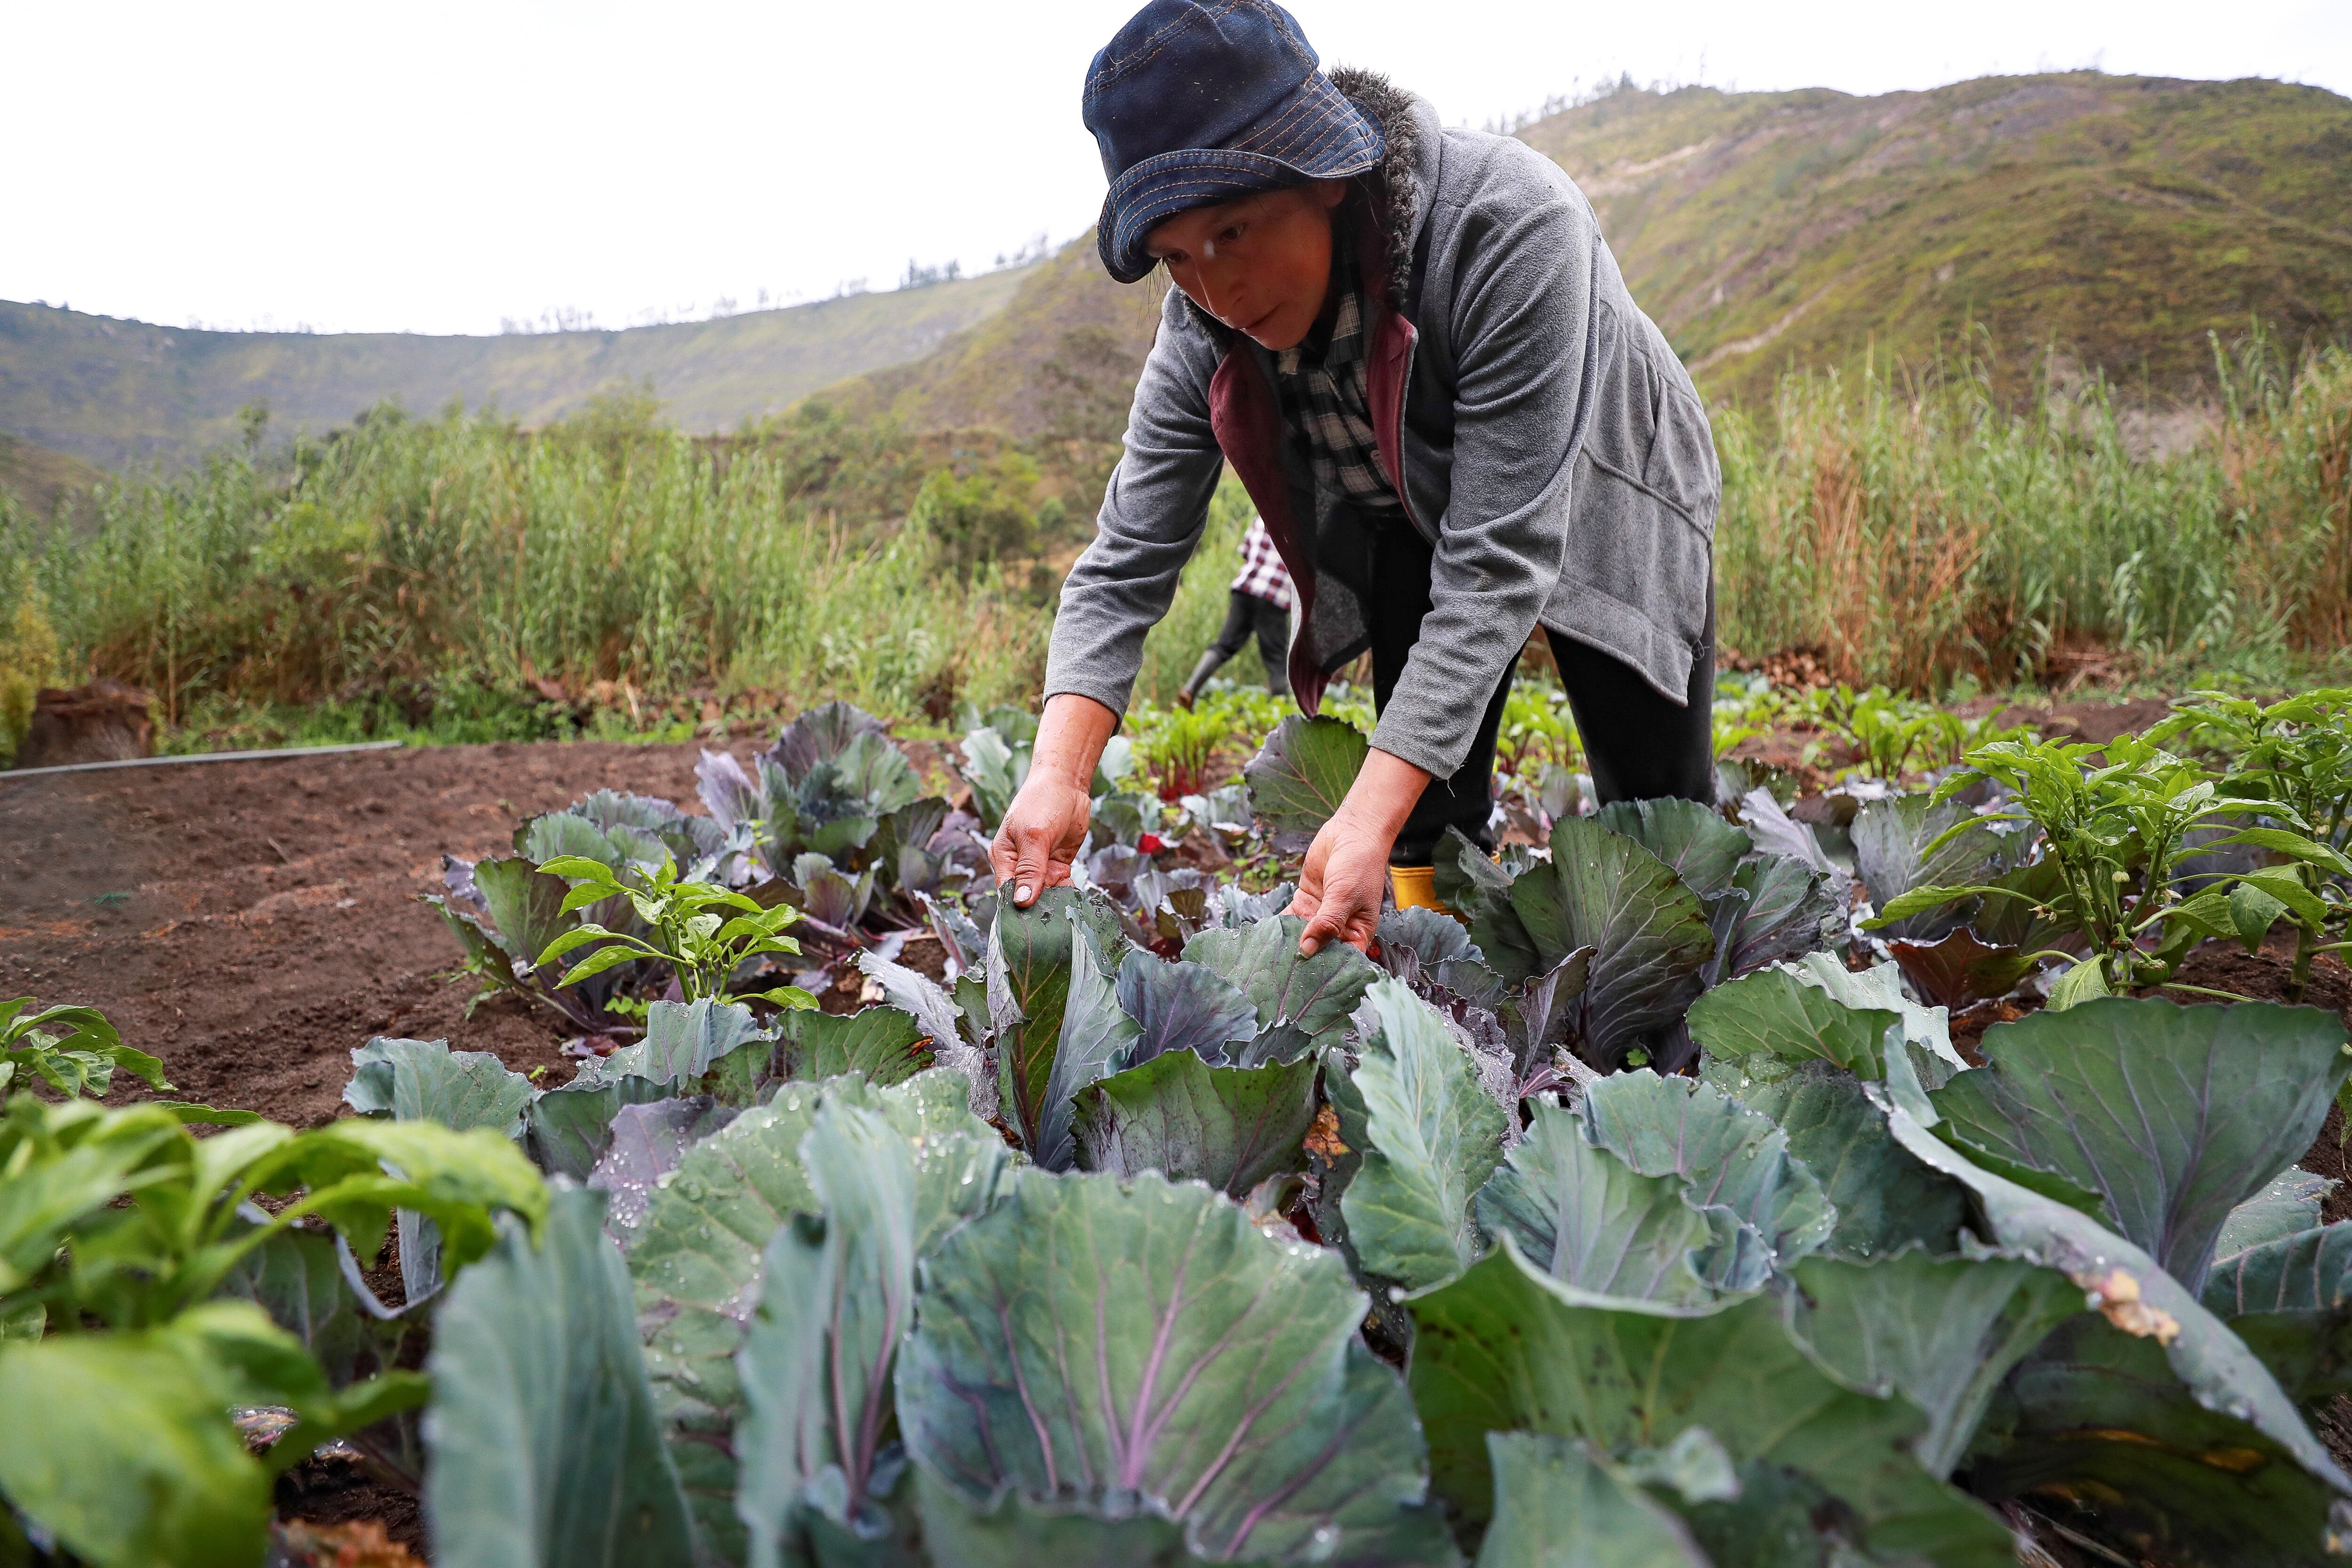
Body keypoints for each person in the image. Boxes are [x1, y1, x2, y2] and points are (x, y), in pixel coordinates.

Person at [992, 0, 1721, 955]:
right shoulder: (1203, 329)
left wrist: (1364, 813)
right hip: (1408, 512)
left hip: (1614, 492)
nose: (1217, 289)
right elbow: (1125, 560)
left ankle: (1692, 1000)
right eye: (1175, 256)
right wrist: (1060, 772)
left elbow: (1497, 560)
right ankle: (1440, 969)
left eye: (1235, 231)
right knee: (1417, 823)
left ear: (1326, 175)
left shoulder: (1510, 228)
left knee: (1658, 822)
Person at [1178, 513, 1294, 708]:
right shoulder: (1301, 527)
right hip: (1273, 597)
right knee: (1277, 661)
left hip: (1245, 589)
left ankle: (1190, 690)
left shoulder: (1263, 515)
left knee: (1224, 645)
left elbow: (1246, 550)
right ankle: (1281, 719)